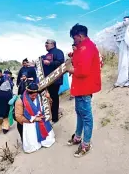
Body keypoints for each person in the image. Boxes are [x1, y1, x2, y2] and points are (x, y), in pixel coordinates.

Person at [67, 23, 101, 157]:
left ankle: (86, 144)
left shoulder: (87, 48)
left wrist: (69, 69)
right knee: (79, 113)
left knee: (86, 117)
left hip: (85, 87)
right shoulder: (82, 47)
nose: (73, 41)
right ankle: (77, 137)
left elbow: (83, 70)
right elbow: (78, 61)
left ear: (80, 36)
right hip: (79, 86)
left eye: (74, 38)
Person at [15, 82, 55, 153]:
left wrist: (49, 98)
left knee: (48, 141)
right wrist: (34, 119)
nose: (34, 97)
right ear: (28, 93)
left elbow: (48, 108)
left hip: (42, 119)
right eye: (32, 96)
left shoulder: (40, 97)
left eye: (35, 95)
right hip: (28, 121)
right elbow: (18, 117)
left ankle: (44, 141)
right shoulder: (20, 101)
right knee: (32, 144)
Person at [42, 39, 65, 124]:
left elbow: (61, 63)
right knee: (48, 98)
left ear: (53, 44)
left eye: (47, 43)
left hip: (55, 80)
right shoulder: (46, 54)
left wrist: (49, 63)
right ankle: (51, 114)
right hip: (47, 80)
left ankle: (55, 118)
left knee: (54, 97)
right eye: (45, 43)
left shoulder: (58, 52)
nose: (45, 44)